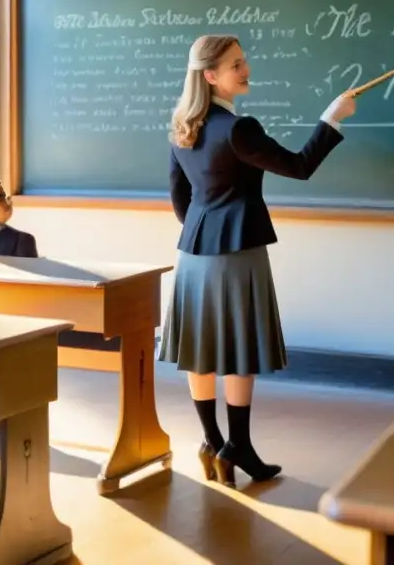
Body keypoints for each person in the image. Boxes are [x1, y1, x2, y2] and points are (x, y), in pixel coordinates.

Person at [158, 34, 355, 487]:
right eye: (236, 65)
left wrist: (204, 229)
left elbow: (179, 199)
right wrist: (332, 118)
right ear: (210, 76)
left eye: (243, 61)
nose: (246, 70)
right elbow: (301, 165)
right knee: (238, 350)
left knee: (200, 352)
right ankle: (238, 447)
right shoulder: (238, 129)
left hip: (194, 253)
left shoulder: (182, 126)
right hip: (237, 252)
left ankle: (211, 442)